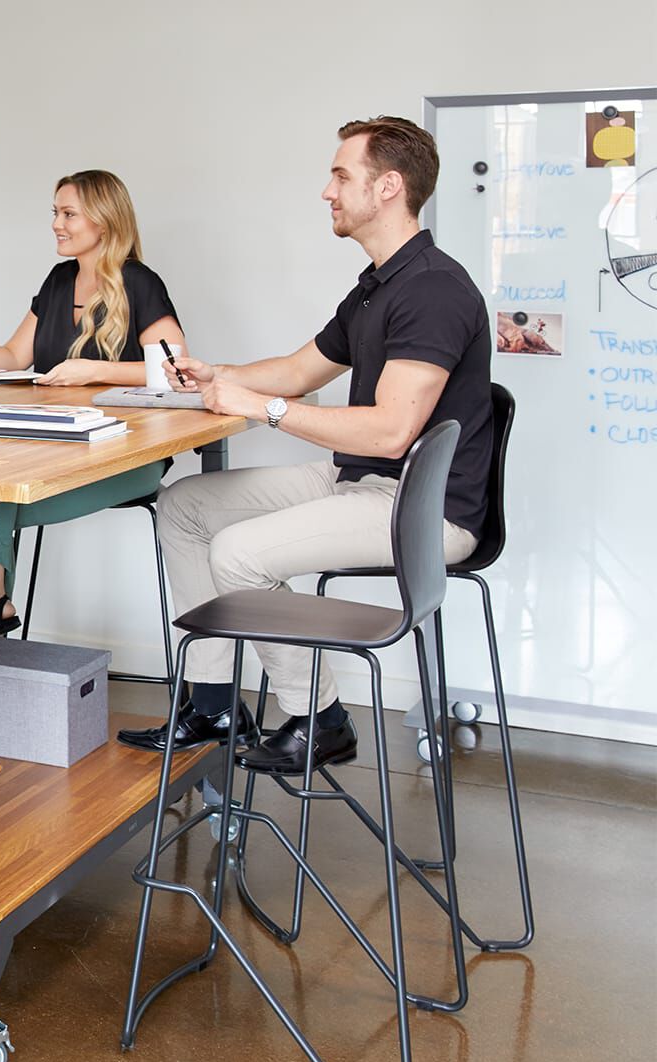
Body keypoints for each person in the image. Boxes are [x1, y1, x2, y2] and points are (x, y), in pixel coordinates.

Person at [118, 116, 492, 774]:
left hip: (422, 508)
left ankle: (320, 719)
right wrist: (219, 374)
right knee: (184, 506)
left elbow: (390, 430)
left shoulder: (433, 289)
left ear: (389, 188)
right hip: (363, 480)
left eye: (341, 175)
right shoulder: (379, 284)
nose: (327, 190)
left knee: (238, 554)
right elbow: (298, 370)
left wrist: (262, 409)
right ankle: (211, 702)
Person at [0, 170, 187, 639]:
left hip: (126, 457)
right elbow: (15, 354)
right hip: (53, 446)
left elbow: (175, 371)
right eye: (55, 212)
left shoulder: (139, 283)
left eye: (69, 213)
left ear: (105, 222)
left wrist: (93, 369)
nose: (57, 223)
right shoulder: (58, 281)